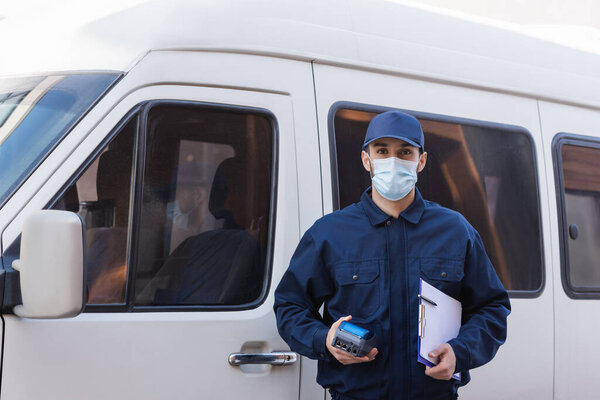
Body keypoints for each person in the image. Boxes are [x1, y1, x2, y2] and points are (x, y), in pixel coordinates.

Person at [273, 110, 510, 400]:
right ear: (366, 159)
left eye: (405, 151)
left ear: (420, 161)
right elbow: (290, 307)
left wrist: (460, 352)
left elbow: (492, 309)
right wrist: (324, 340)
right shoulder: (329, 234)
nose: (393, 160)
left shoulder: (456, 232)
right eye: (382, 150)